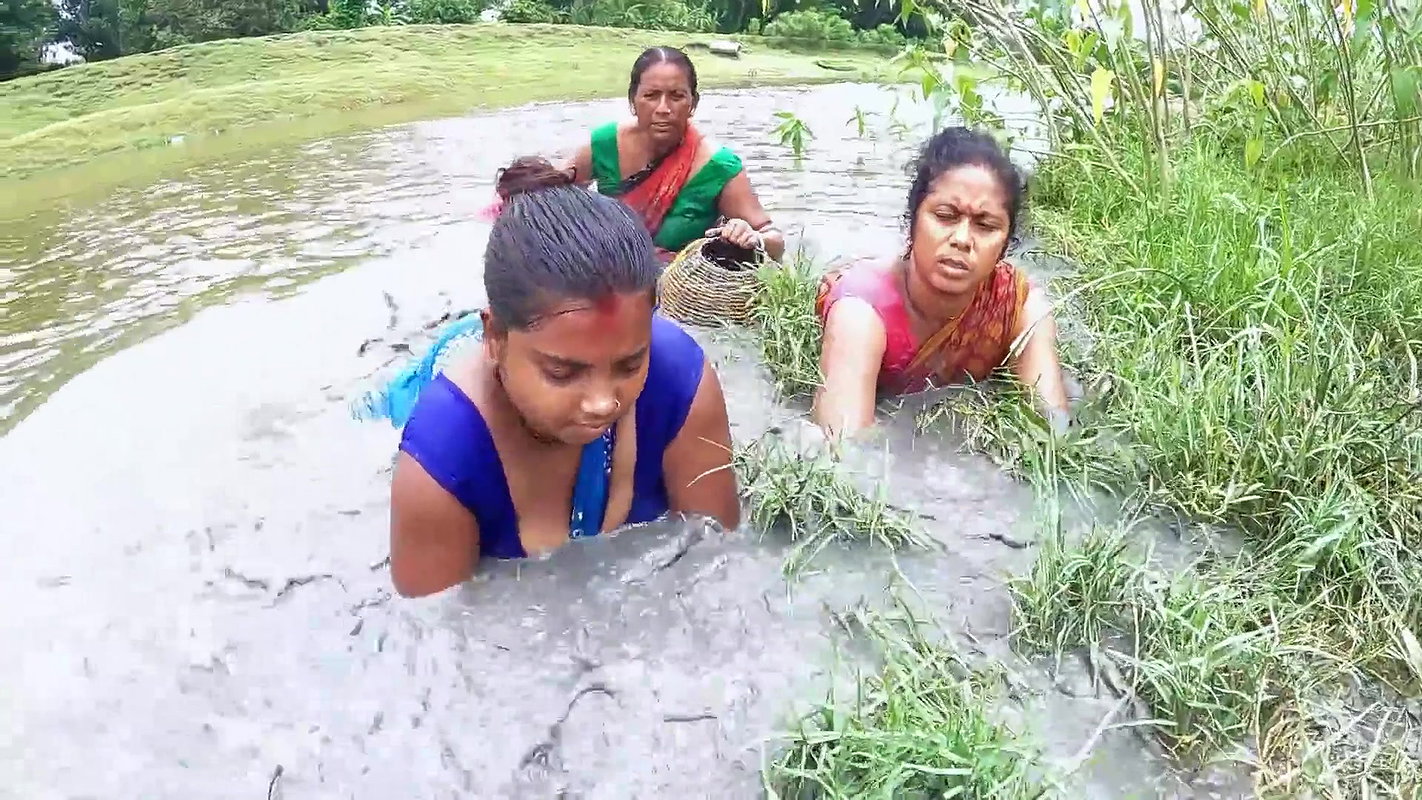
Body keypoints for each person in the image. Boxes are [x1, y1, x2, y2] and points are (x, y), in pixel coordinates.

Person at [384, 157, 740, 598]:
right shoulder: (441, 460)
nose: (603, 403)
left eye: (629, 365)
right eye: (562, 372)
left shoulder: (679, 381)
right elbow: (436, 627)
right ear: (495, 338)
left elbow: (718, 564)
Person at [812, 127, 1069, 437]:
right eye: (945, 216)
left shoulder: (1018, 306)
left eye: (986, 226)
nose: (962, 239)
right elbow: (843, 446)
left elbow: (1052, 431)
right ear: (913, 221)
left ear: (1005, 246)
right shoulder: (861, 313)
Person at [563, 46, 786, 262]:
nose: (663, 109)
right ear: (633, 101)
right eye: (651, 95)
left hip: (679, 283)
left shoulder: (718, 166)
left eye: (676, 96)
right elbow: (551, 194)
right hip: (607, 273)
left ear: (693, 103)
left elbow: (775, 241)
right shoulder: (604, 144)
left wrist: (752, 238)